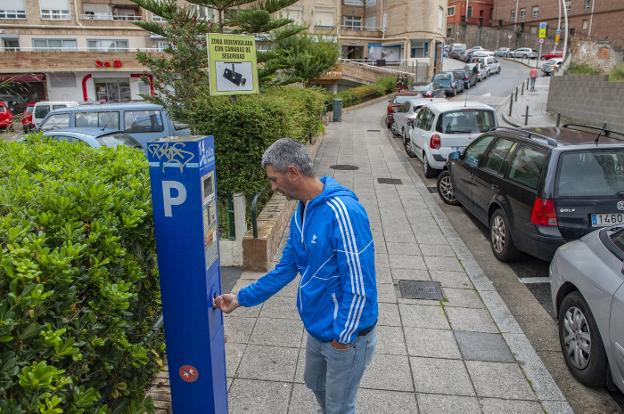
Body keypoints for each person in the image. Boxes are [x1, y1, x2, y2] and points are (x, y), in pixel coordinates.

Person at [215, 138, 378, 414]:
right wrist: (241, 298)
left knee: (340, 406)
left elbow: (361, 287)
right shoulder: (301, 212)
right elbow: (286, 267)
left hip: (345, 336)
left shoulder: (344, 213)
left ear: (293, 172)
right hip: (318, 328)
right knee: (314, 383)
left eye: (274, 180)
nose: (273, 187)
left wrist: (343, 339)